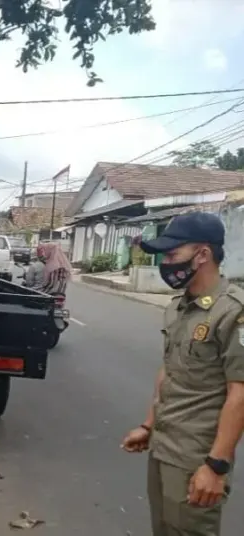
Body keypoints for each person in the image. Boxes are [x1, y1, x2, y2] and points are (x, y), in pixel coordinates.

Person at [121, 212, 244, 536]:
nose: (166, 263)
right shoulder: (178, 306)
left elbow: (240, 395)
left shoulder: (233, 312)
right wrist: (148, 425)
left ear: (202, 254)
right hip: (163, 447)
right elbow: (169, 371)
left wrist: (216, 467)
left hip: (196, 457)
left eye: (173, 255)